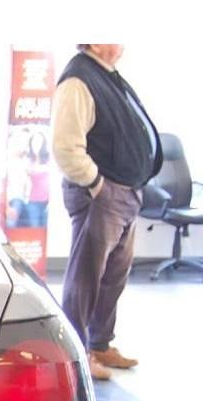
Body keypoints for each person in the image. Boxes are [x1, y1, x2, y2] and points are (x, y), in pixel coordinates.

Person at [52, 44, 162, 381]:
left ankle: (100, 343)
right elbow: (65, 146)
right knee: (86, 276)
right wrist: (97, 184)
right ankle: (75, 353)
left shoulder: (106, 76)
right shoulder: (79, 80)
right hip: (102, 194)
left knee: (114, 274)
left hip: (125, 191)